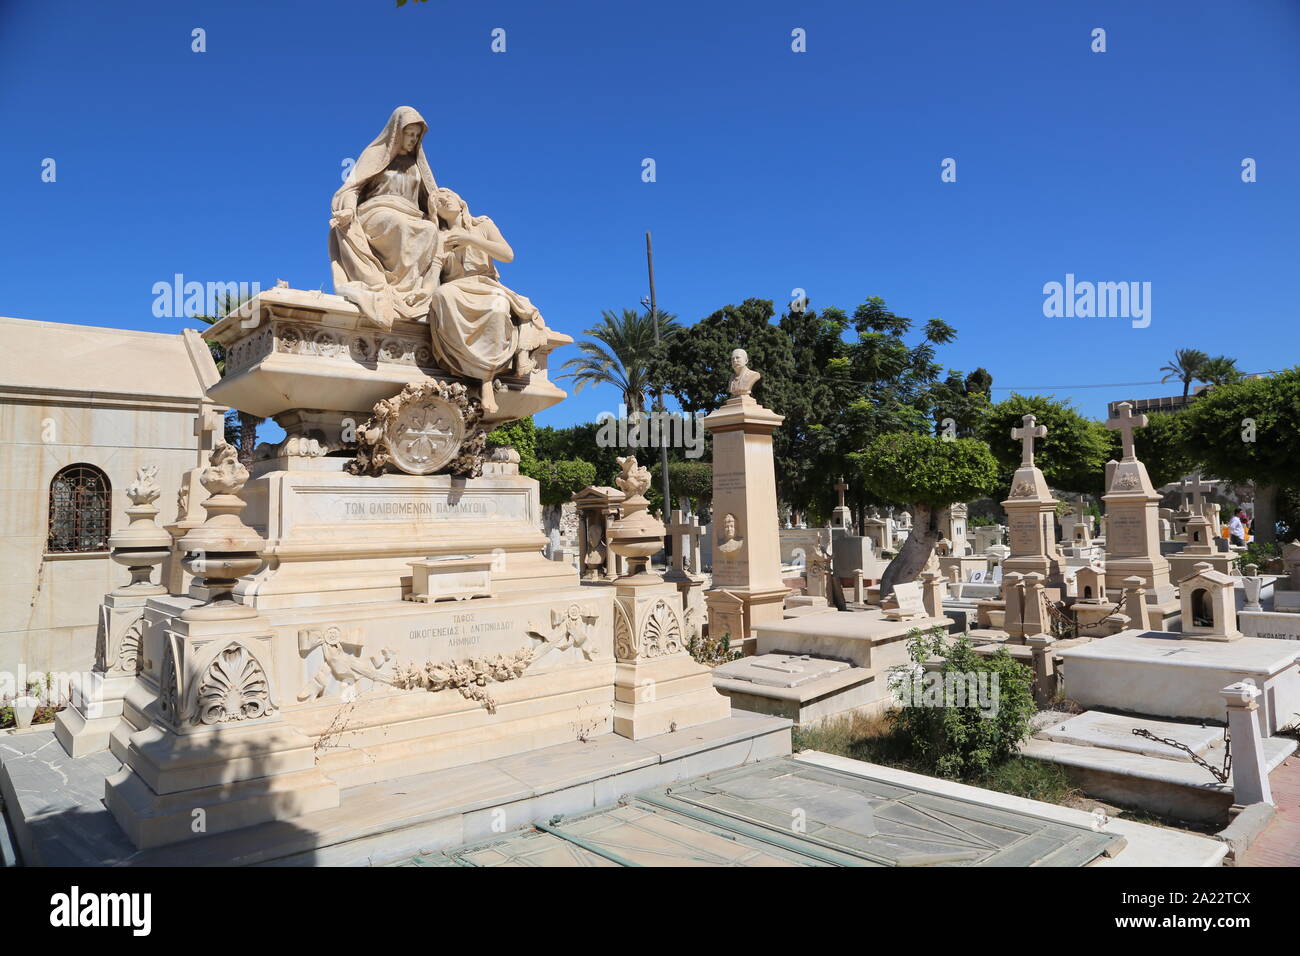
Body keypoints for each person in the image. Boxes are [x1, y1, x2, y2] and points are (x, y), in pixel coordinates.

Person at [428, 187, 547, 413]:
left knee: (499, 306)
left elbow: (507, 255)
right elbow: (434, 274)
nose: (444, 200)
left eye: (448, 196)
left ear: (461, 201)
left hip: (485, 284)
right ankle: (480, 375)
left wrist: (469, 239)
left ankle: (486, 380)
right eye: (438, 202)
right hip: (455, 287)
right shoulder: (438, 236)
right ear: (436, 212)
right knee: (442, 295)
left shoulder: (482, 225)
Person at [329, 106, 442, 329]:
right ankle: (392, 290)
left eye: (416, 136)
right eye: (408, 134)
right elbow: (351, 189)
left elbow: (431, 199)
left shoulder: (418, 165)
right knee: (396, 223)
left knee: (430, 231)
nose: (412, 139)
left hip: (412, 214)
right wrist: (349, 210)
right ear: (396, 132)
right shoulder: (375, 156)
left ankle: (411, 294)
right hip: (377, 211)